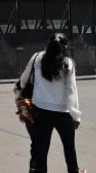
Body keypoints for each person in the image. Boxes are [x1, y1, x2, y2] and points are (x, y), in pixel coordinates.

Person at [18, 33, 86, 173]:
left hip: (41, 111)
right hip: (63, 113)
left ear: (48, 44)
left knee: (41, 151)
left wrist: (21, 90)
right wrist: (76, 116)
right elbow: (71, 90)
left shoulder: (37, 58)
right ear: (65, 47)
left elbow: (24, 78)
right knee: (69, 150)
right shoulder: (67, 63)